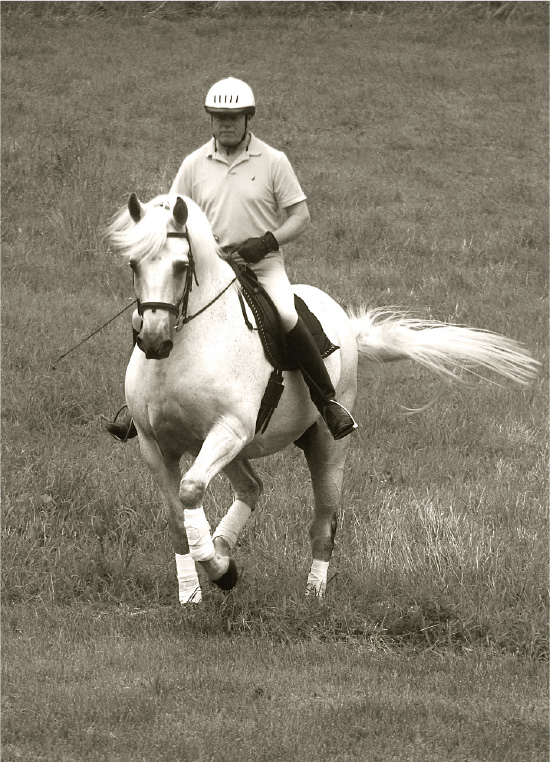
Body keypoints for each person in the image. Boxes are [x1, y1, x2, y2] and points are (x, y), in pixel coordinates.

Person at [106, 77, 357, 442]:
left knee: (286, 314)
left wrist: (267, 240)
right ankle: (135, 408)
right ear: (210, 120)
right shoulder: (194, 164)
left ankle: (329, 403)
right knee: (142, 315)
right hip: (212, 267)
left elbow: (301, 216)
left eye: (234, 117)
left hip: (262, 264)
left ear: (247, 119)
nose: (226, 123)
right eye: (219, 117)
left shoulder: (274, 161)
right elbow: (170, 216)